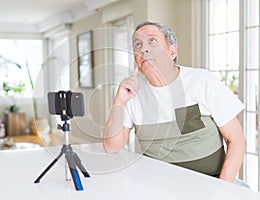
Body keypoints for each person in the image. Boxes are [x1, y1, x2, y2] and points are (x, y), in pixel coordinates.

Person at [103, 21, 246, 183]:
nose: (144, 49)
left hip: (211, 182)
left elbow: (236, 140)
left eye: (152, 41)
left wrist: (222, 188)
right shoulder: (132, 93)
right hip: (157, 185)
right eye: (138, 44)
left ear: (172, 51)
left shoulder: (202, 81)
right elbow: (111, 147)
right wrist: (119, 102)